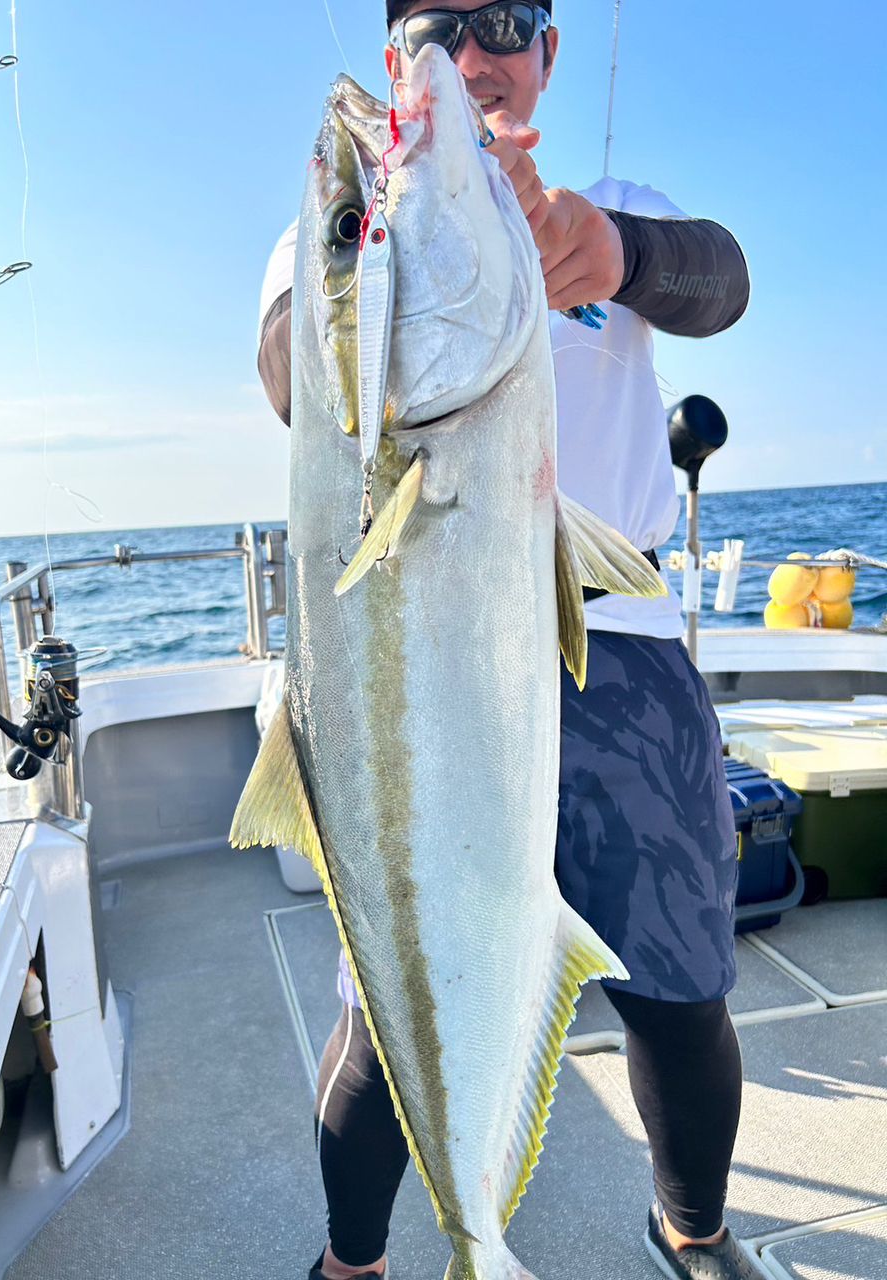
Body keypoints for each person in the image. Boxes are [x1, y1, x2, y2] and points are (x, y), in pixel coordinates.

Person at [255, 4, 754, 1278]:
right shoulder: (345, 218)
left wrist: (613, 248)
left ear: (546, 55)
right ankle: (357, 1260)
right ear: (397, 61)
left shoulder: (608, 202)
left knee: (684, 989)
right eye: (437, 25)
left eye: (505, 22)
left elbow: (721, 277)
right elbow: (283, 372)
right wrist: (375, 254)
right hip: (417, 657)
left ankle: (693, 1230)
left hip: (617, 643)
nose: (473, 52)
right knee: (391, 1004)